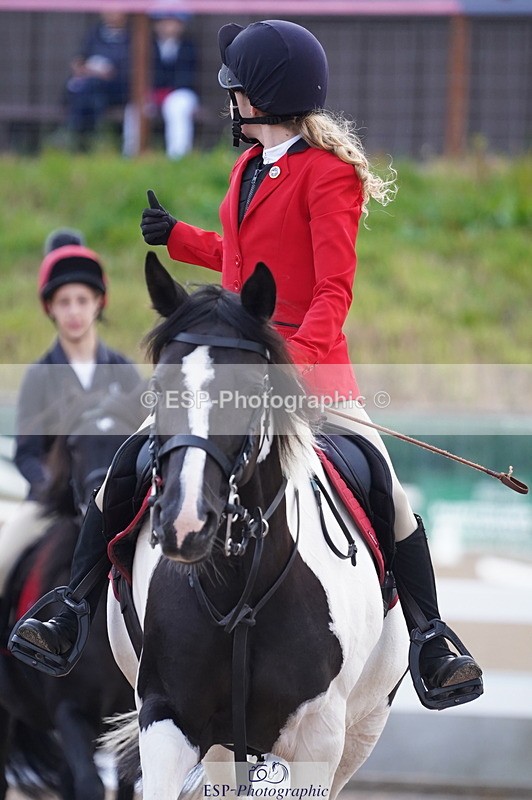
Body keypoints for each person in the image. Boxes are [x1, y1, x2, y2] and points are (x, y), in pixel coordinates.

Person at [15, 21, 482, 707]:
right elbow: (239, 260)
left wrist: (291, 363)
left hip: (309, 371)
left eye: (236, 90)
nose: (229, 100)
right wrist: (179, 239)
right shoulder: (248, 168)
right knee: (130, 464)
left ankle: (432, 638)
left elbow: (332, 291)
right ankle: (71, 607)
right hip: (230, 365)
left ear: (264, 97)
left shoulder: (331, 177)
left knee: (389, 491)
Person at [0, 230, 142, 627]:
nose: (74, 311)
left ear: (99, 303)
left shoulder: (125, 372)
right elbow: (27, 453)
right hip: (54, 503)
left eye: (82, 300)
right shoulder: (39, 377)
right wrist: (56, 487)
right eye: (64, 302)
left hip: (115, 501)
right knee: (1, 560)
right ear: (50, 308)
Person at [122, 10, 199, 159]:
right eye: (163, 21)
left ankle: (178, 156)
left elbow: (187, 78)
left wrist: (168, 91)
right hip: (153, 93)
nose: (168, 26)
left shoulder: (189, 46)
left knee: (176, 106)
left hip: (180, 93)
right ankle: (130, 153)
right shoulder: (146, 45)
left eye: (173, 22)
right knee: (135, 107)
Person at [64, 12, 130, 151]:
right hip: (92, 88)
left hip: (118, 90)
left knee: (88, 91)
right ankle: (88, 140)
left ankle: (80, 139)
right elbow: (80, 58)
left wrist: (109, 73)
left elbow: (132, 70)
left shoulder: (133, 37)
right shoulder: (94, 34)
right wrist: (82, 67)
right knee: (90, 92)